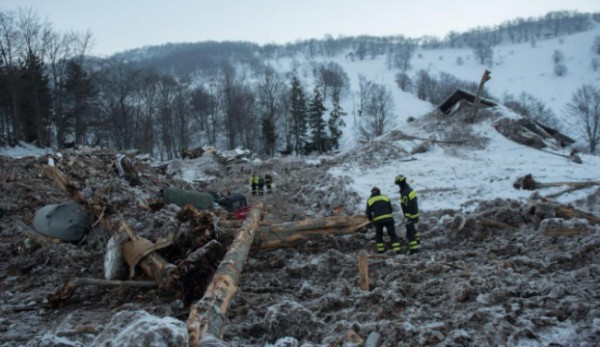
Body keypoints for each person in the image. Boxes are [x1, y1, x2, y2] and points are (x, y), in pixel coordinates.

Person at [365, 187, 402, 254]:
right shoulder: (385, 197)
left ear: (372, 193)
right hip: (388, 218)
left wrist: (371, 220)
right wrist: (387, 214)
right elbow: (390, 208)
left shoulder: (370, 200)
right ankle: (397, 250)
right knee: (392, 234)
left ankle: (380, 251)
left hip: (378, 220)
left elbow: (368, 212)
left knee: (379, 235)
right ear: (379, 191)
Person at [395, 175, 420, 254]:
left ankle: (414, 249)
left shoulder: (405, 193)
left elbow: (407, 206)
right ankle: (417, 241)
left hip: (410, 215)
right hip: (415, 213)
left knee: (410, 233)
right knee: (413, 229)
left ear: (399, 183)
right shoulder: (410, 190)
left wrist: (407, 217)